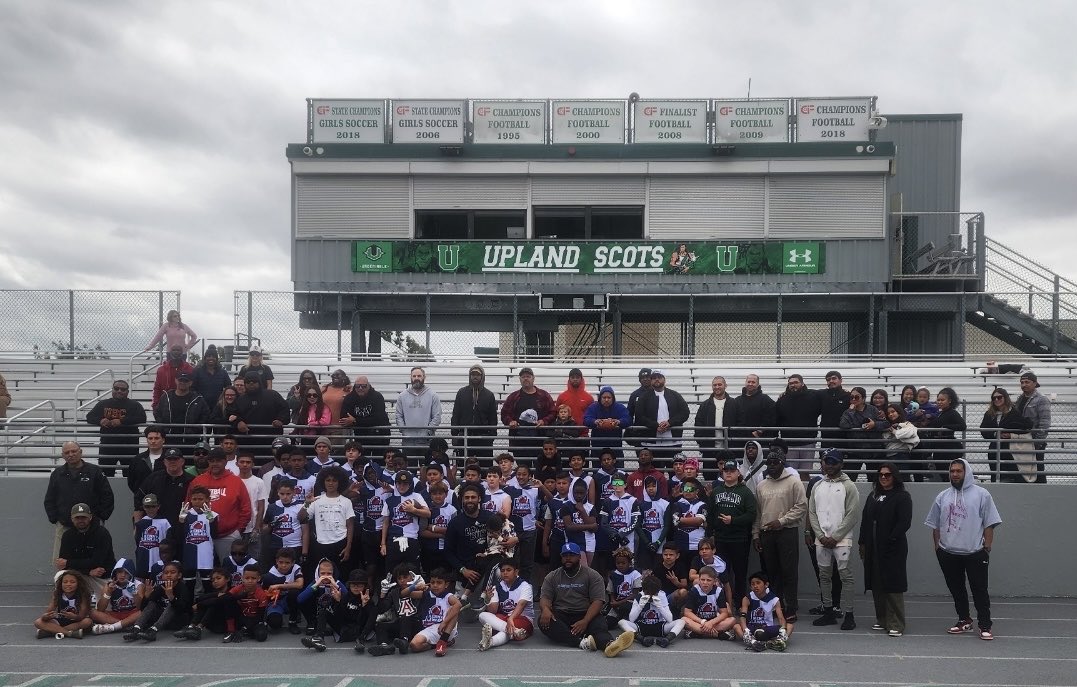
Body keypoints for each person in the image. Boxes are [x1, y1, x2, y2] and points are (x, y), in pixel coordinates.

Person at [925, 458, 1002, 640]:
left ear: (966, 472)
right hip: (948, 552)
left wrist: (987, 546)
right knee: (957, 589)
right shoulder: (942, 496)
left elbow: (989, 522)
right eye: (952, 471)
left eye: (959, 471)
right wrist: (938, 548)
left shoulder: (982, 494)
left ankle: (985, 625)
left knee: (979, 590)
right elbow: (935, 524)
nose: (955, 474)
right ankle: (964, 620)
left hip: (975, 552)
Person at [539, 542, 635, 657]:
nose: (568, 558)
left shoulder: (593, 575)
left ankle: (610, 645)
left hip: (585, 613)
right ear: (561, 557)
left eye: (572, 555)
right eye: (565, 556)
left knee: (599, 626)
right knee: (544, 621)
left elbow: (598, 601)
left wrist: (585, 621)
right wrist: (545, 609)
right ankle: (582, 642)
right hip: (562, 614)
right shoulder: (552, 576)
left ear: (579, 557)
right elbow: (545, 597)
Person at [752, 449, 807, 624]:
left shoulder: (794, 482)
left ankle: (791, 608)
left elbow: (801, 507)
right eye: (769, 463)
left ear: (783, 463)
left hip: (787, 532)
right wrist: (756, 534)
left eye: (775, 463)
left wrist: (782, 521)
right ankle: (777, 606)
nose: (772, 466)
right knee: (772, 572)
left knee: (789, 571)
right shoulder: (761, 485)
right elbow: (758, 513)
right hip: (767, 533)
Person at [808, 449, 860, 630]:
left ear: (841, 464)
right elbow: (812, 512)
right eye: (826, 461)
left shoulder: (849, 486)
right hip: (821, 539)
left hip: (842, 540)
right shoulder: (817, 485)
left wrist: (836, 536)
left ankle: (849, 614)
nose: (829, 465)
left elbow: (852, 515)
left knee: (846, 576)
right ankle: (828, 611)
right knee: (824, 576)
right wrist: (820, 535)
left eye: (834, 462)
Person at [859, 462, 912, 637]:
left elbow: (904, 522)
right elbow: (865, 519)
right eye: (881, 475)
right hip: (873, 547)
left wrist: (891, 539)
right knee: (877, 583)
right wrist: (862, 542)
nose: (883, 477)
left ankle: (896, 622)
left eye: (887, 475)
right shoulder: (873, 495)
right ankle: (882, 619)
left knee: (893, 585)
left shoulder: (902, 496)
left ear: (894, 477)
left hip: (892, 548)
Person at [44, 441, 115, 559]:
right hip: (65, 526)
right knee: (62, 563)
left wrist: (101, 518)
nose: (70, 454)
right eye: (67, 452)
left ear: (80, 452)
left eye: (74, 451)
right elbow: (49, 499)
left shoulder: (95, 471)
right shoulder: (57, 474)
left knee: (93, 561)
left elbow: (107, 496)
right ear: (63, 456)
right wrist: (56, 519)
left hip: (92, 528)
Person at [187, 447, 252, 563]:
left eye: (218, 461)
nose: (215, 464)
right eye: (212, 461)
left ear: (225, 461)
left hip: (228, 535)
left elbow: (245, 507)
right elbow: (188, 504)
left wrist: (239, 529)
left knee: (229, 568)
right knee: (204, 570)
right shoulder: (198, 481)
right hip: (202, 534)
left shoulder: (236, 481)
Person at [707, 457, 756, 607]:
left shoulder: (745, 492)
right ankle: (723, 603)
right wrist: (710, 535)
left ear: (738, 472)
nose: (728, 473)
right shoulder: (716, 492)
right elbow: (710, 515)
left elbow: (751, 514)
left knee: (740, 573)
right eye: (725, 471)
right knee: (721, 573)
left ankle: (741, 603)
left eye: (732, 471)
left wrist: (733, 520)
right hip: (721, 539)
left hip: (739, 539)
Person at [444, 484, 495, 606]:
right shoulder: (455, 523)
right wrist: (463, 570)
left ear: (479, 499)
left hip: (487, 570)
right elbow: (448, 552)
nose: (470, 500)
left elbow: (506, 533)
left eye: (473, 497)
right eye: (467, 498)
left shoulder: (490, 517)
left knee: (490, 608)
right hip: (465, 573)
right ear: (462, 500)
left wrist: (513, 539)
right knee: (460, 609)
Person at [299, 465, 355, 574]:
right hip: (320, 544)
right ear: (323, 482)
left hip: (340, 543)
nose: (331, 483)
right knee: (322, 575)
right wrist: (307, 503)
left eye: (334, 480)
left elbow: (350, 525)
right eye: (328, 480)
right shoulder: (316, 500)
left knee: (340, 575)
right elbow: (301, 518)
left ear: (340, 483)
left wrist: (348, 546)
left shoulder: (346, 501)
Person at [86, 380, 146, 477]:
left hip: (129, 447)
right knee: (106, 476)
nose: (119, 391)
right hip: (108, 446)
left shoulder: (135, 405)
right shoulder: (103, 404)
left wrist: (122, 421)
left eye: (123, 389)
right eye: (116, 388)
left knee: (130, 475)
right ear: (112, 389)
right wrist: (100, 421)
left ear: (127, 392)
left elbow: (142, 418)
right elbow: (89, 417)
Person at [122, 560, 192, 642]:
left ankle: (153, 631)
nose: (169, 575)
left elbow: (183, 609)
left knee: (171, 605)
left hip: (178, 620)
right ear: (162, 576)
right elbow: (143, 608)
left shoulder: (183, 588)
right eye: (166, 573)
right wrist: (146, 596)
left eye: (172, 572)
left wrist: (171, 597)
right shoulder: (160, 588)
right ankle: (136, 628)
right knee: (152, 603)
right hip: (162, 621)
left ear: (179, 575)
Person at [56, 503, 116, 592]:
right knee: (60, 575)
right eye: (77, 518)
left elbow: (97, 562)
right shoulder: (67, 536)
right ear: (72, 519)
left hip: (101, 576)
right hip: (81, 574)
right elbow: (63, 565)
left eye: (83, 517)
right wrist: (88, 572)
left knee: (104, 605)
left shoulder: (102, 533)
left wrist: (69, 562)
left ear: (90, 517)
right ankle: (67, 604)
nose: (80, 520)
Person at [478, 557, 535, 650]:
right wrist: (488, 600)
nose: (505, 573)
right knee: (482, 615)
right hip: (504, 620)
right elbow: (493, 610)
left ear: (516, 572)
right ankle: (514, 632)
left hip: (523, 619)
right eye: (502, 570)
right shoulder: (497, 587)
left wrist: (511, 619)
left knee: (506, 628)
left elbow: (521, 605)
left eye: (509, 570)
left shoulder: (525, 586)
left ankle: (491, 641)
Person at [501, 367, 556, 462]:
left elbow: (553, 412)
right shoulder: (514, 397)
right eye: (523, 377)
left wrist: (544, 421)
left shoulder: (544, 395)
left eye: (528, 376)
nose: (525, 378)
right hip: (519, 441)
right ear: (520, 379)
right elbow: (504, 413)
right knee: (523, 470)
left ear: (533, 378)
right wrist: (510, 421)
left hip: (540, 440)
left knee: (539, 470)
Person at [980, 388, 1034, 483]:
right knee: (995, 476)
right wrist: (995, 434)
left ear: (1005, 398)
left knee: (1010, 476)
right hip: (994, 449)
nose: (996, 400)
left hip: (1010, 450)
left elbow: (1025, 427)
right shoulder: (989, 414)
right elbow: (983, 430)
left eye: (999, 397)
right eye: (994, 398)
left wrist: (1010, 434)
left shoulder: (1014, 412)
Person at [133, 447, 193, 532]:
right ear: (164, 462)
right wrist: (137, 527)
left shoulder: (191, 481)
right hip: (155, 530)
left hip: (183, 529)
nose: (172, 461)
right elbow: (138, 504)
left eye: (175, 459)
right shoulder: (153, 479)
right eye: (169, 459)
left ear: (182, 461)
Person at [635, 369, 690, 461]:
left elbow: (685, 413)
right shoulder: (644, 397)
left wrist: (670, 423)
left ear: (664, 380)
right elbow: (639, 416)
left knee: (673, 471)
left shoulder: (675, 395)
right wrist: (655, 426)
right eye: (654, 378)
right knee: (655, 472)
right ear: (651, 380)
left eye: (659, 377)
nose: (657, 380)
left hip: (673, 443)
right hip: (651, 444)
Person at [233, 372, 290, 457]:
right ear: (245, 384)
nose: (251, 384)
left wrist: (281, 420)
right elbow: (233, 414)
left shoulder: (273, 395)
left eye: (254, 381)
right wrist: (238, 422)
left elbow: (285, 409)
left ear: (259, 382)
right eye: (248, 382)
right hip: (248, 441)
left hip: (271, 439)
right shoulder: (240, 399)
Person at [839, 386, 888, 481]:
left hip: (873, 451)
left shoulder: (873, 409)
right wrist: (851, 411)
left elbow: (885, 423)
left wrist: (874, 424)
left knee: (874, 480)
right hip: (854, 451)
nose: (853, 399)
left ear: (863, 398)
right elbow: (843, 425)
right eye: (851, 397)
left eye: (856, 397)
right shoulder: (848, 411)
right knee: (849, 480)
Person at [450, 363, 498, 461]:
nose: (475, 377)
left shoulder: (489, 395)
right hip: (464, 435)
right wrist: (455, 434)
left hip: (483, 436)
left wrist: (491, 436)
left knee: (485, 466)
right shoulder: (461, 393)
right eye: (473, 374)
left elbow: (493, 417)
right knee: (464, 466)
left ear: (482, 376)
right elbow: (456, 414)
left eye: (478, 374)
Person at [775, 374, 821, 474]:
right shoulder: (782, 399)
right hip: (789, 444)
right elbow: (776, 418)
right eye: (791, 383)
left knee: (805, 473)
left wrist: (845, 392)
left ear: (802, 383)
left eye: (796, 382)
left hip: (808, 443)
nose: (793, 385)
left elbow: (829, 394)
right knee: (790, 473)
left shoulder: (814, 396)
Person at [735, 571, 789, 652]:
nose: (755, 586)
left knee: (790, 626)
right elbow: (743, 616)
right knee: (736, 626)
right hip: (752, 627)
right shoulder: (747, 598)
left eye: (758, 583)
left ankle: (777, 642)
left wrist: (783, 630)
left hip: (767, 627)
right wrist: (745, 630)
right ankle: (753, 642)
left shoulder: (774, 599)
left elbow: (781, 618)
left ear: (766, 585)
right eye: (753, 584)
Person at [154, 371, 210, 448]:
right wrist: (164, 428)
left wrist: (194, 430)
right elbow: (157, 412)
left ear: (191, 383)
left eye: (186, 381)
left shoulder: (198, 399)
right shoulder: (166, 396)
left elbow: (205, 415)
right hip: (168, 439)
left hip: (190, 440)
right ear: (176, 380)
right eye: (181, 380)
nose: (183, 382)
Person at [681, 564, 738, 640]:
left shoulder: (719, 591)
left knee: (732, 620)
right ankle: (717, 634)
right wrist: (703, 622)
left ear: (714, 581)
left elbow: (724, 613)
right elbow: (687, 612)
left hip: (714, 622)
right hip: (699, 621)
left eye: (709, 580)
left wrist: (711, 623)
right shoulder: (694, 590)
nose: (705, 582)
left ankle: (698, 633)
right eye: (702, 580)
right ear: (699, 580)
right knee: (684, 620)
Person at [89, 559, 145, 635]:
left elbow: (140, 607)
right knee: (93, 612)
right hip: (116, 615)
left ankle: (113, 627)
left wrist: (134, 593)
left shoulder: (138, 585)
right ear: (115, 573)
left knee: (143, 612)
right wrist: (108, 592)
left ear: (131, 574)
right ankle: (124, 626)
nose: (123, 575)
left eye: (126, 573)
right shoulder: (109, 584)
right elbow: (100, 609)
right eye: (120, 572)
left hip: (132, 614)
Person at [627, 574, 685, 647]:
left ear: (658, 591)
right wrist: (640, 606)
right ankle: (641, 639)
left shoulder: (661, 595)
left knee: (681, 621)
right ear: (644, 591)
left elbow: (670, 619)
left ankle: (666, 640)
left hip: (659, 626)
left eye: (654, 594)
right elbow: (631, 619)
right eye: (648, 593)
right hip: (642, 626)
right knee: (622, 622)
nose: (651, 596)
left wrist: (660, 606)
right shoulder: (639, 596)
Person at [339, 376, 391, 457]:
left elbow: (378, 419)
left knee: (379, 462)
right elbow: (343, 418)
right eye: (357, 386)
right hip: (361, 436)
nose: (360, 388)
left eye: (363, 386)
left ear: (368, 386)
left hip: (379, 436)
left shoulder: (377, 397)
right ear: (354, 386)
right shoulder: (350, 398)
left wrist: (355, 421)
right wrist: (363, 421)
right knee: (361, 462)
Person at [35, 569, 93, 639]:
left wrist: (74, 617)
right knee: (38, 622)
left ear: (78, 583)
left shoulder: (83, 595)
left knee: (87, 621)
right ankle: (69, 633)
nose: (68, 584)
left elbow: (82, 616)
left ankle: (51, 631)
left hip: (75, 621)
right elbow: (49, 611)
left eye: (72, 582)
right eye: (65, 582)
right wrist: (46, 616)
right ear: (61, 583)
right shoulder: (57, 594)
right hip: (60, 620)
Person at [923, 387, 966, 482]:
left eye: (942, 400)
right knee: (942, 473)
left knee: (948, 474)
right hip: (938, 448)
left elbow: (962, 426)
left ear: (949, 401)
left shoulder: (952, 413)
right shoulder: (939, 413)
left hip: (948, 448)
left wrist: (946, 427)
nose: (939, 402)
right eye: (938, 400)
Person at [396, 367, 442, 453]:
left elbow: (437, 416)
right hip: (408, 440)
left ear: (424, 377)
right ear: (411, 377)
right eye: (414, 376)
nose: (416, 378)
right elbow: (399, 415)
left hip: (426, 440)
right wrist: (404, 431)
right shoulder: (402, 396)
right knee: (409, 465)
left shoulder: (433, 395)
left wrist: (427, 432)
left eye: (419, 376)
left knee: (426, 465)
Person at [1017, 371, 1052, 483]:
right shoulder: (1020, 399)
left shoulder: (1042, 399)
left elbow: (1045, 422)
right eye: (1022, 382)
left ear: (1035, 383)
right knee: (1025, 471)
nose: (1024, 384)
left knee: (1038, 470)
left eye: (1027, 382)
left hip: (1035, 442)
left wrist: (1038, 442)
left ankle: (1043, 495)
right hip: (1023, 441)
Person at [695, 376, 737, 462]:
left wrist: (735, 443)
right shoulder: (705, 405)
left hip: (730, 449)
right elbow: (698, 424)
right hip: (709, 450)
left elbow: (740, 422)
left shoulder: (734, 403)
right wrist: (703, 443)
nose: (717, 387)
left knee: (729, 474)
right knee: (709, 474)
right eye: (714, 385)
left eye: (719, 384)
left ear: (725, 386)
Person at [584, 386, 630, 460]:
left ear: (613, 398)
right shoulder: (593, 407)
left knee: (618, 468)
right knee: (597, 469)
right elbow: (586, 419)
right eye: (604, 397)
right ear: (600, 398)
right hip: (597, 445)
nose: (606, 400)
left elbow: (628, 419)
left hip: (615, 445)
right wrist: (595, 421)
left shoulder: (619, 407)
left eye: (609, 397)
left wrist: (619, 421)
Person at [733, 373, 776, 448]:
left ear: (758, 384)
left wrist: (760, 431)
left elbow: (772, 416)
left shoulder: (765, 399)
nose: (750, 384)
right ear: (745, 383)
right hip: (740, 442)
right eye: (748, 382)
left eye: (753, 382)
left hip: (760, 442)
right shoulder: (737, 400)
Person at [555, 368, 594, 441]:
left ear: (581, 379)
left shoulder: (589, 398)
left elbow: (592, 416)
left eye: (577, 377)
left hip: (583, 435)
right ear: (569, 379)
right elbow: (556, 414)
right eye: (572, 377)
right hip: (566, 435)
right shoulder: (562, 397)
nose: (575, 379)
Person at [881, 403, 920, 478]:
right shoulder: (886, 426)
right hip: (888, 457)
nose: (891, 414)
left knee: (903, 479)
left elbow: (911, 432)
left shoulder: (906, 423)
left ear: (899, 412)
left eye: (893, 412)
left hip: (901, 456)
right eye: (888, 413)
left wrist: (895, 431)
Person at [151, 345, 194, 410]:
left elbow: (193, 388)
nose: (176, 352)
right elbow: (157, 388)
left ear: (182, 353)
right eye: (174, 350)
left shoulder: (190, 369)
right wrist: (155, 405)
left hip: (184, 403)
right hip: (166, 403)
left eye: (178, 350)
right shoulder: (161, 370)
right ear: (170, 353)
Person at [817, 370, 850, 446]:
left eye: (834, 378)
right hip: (826, 436)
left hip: (844, 436)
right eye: (828, 379)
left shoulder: (848, 395)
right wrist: (786, 392)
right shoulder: (821, 394)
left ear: (841, 380)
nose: (831, 381)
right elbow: (806, 393)